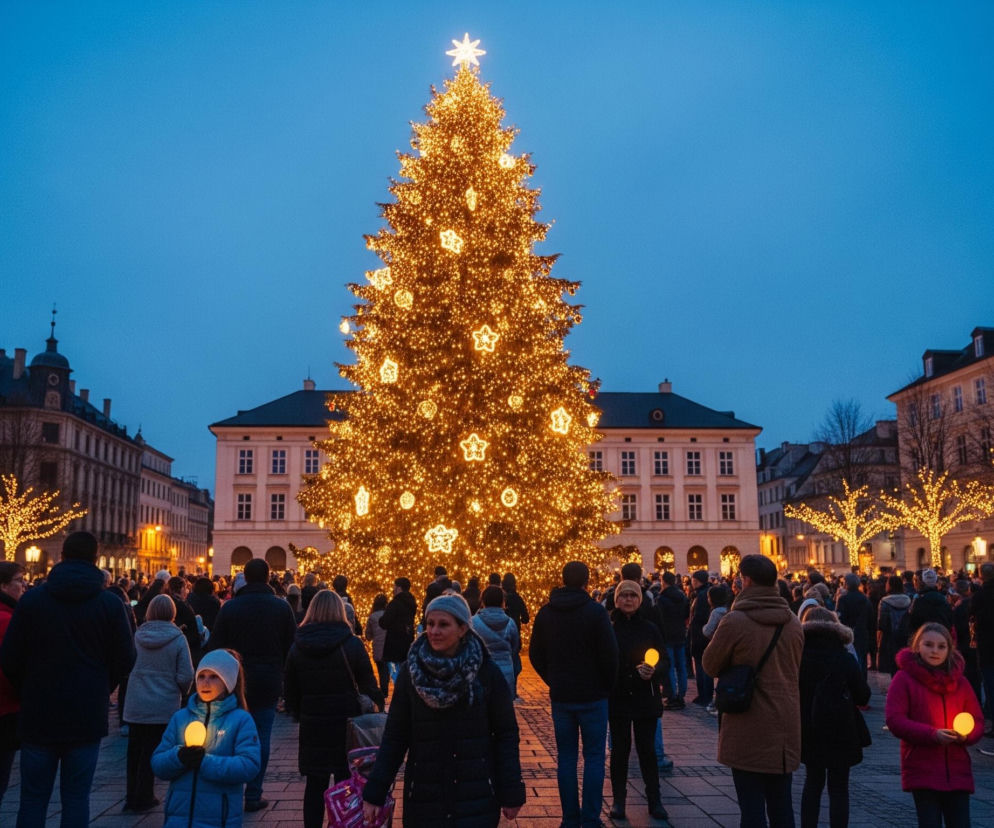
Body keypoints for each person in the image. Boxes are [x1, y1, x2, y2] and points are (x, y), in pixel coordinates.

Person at [0, 531, 136, 828]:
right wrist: (103, 686)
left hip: (38, 713)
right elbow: (126, 659)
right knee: (76, 797)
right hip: (86, 714)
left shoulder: (32, 601)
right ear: (95, 559)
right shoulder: (109, 604)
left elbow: (9, 657)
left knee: (33, 798)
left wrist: (30, 688)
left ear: (62, 556)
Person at [362, 594, 525, 825]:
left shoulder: (485, 673)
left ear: (462, 629)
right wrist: (375, 791)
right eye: (430, 624)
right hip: (424, 794)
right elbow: (395, 737)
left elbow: (506, 734)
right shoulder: (412, 673)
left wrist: (510, 789)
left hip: (475, 793)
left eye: (443, 624)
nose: (434, 631)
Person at [702, 554, 804, 828]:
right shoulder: (793, 623)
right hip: (785, 725)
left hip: (747, 723)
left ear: (745, 580)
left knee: (752, 809)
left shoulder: (735, 621)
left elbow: (710, 665)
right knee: (782, 806)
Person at [530, 561, 618, 828]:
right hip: (593, 696)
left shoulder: (546, 613)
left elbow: (535, 654)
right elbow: (610, 654)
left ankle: (569, 818)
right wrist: (606, 685)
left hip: (562, 696)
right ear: (585, 583)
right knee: (593, 757)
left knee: (566, 758)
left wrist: (552, 679)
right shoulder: (595, 612)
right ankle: (590, 818)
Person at [284, 589, 383, 828]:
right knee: (347, 782)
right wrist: (376, 702)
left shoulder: (298, 646)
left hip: (313, 725)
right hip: (346, 724)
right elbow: (370, 686)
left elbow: (290, 692)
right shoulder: (352, 644)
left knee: (314, 784)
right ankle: (345, 823)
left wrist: (300, 712)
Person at [206, 557, 297, 813]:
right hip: (268, 679)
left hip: (235, 679)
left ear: (244, 577)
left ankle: (230, 791)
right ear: (268, 577)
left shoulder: (230, 608)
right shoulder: (281, 607)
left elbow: (215, 646)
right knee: (261, 735)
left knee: (229, 734)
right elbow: (292, 647)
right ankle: (254, 793)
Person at [884, 622, 984, 827]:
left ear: (949, 649)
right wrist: (931, 734)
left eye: (941, 646)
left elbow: (976, 720)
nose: (935, 651)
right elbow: (895, 720)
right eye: (928, 645)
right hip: (923, 768)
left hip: (957, 771)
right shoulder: (904, 679)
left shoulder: (961, 682)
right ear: (917, 646)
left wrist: (967, 735)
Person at [151, 649, 261, 828]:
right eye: (201, 676)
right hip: (178, 818)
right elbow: (158, 763)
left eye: (214, 677)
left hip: (219, 819)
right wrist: (178, 756)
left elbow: (249, 765)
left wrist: (205, 762)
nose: (206, 682)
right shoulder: (180, 718)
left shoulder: (240, 720)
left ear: (228, 682)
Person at [798, 607, 870, 828]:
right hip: (842, 727)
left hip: (809, 725)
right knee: (839, 787)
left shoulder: (798, 657)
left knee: (812, 782)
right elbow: (863, 695)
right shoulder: (844, 657)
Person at [123, 593, 194, 812]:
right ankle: (145, 795)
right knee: (153, 750)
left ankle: (132, 795)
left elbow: (125, 663)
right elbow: (186, 674)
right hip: (163, 703)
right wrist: (181, 691)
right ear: (172, 612)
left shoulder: (136, 635)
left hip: (136, 702)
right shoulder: (177, 638)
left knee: (134, 750)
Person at [607, 579, 668, 822]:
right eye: (624, 596)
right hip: (619, 697)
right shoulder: (610, 627)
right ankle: (618, 800)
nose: (628, 600)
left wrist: (655, 671)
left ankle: (655, 800)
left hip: (645, 698)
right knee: (619, 752)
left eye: (633, 596)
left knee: (647, 752)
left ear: (639, 600)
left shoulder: (650, 628)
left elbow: (664, 659)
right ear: (617, 600)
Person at [0, 562, 26, 807]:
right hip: (6, 708)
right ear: (4, 585)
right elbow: (14, 665)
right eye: (19, 581)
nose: (24, 586)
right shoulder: (7, 620)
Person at [471, 585, 519, 697]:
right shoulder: (510, 623)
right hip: (505, 672)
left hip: (481, 672)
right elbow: (514, 647)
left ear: (483, 600)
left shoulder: (473, 622)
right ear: (502, 601)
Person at [968, 562, 994, 752]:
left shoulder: (979, 596)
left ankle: (992, 720)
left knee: (990, 684)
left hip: (986, 645)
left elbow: (971, 616)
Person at [656, 570, 690, 710]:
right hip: (680, 634)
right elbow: (686, 615)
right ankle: (681, 695)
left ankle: (672, 696)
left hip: (667, 635)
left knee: (670, 666)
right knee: (681, 666)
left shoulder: (661, 598)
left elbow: (660, 618)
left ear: (663, 581)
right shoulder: (682, 596)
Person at [380, 576, 418, 683]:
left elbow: (384, 622)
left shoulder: (395, 603)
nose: (393, 589)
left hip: (394, 643)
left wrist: (381, 619)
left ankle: (400, 691)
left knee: (394, 671)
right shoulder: (411, 603)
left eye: (394, 587)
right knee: (404, 669)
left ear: (399, 588)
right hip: (407, 640)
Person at [836, 573, 872, 680]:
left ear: (846, 584)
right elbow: (871, 620)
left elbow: (839, 619)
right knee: (862, 661)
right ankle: (862, 683)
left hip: (848, 635)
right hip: (863, 633)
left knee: (850, 660)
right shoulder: (865, 599)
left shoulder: (843, 599)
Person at [877, 574, 912, 676]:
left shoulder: (884, 601)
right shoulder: (909, 599)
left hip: (889, 636)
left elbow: (881, 623)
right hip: (905, 635)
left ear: (890, 586)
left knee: (892, 663)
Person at [688, 570, 713, 707]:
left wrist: (694, 625)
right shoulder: (701, 593)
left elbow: (700, 616)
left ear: (697, 580)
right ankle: (703, 693)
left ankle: (705, 694)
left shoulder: (702, 595)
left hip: (700, 635)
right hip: (699, 634)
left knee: (702, 665)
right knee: (701, 665)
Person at [909, 569, 953, 633]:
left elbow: (913, 624)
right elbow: (950, 621)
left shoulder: (918, 601)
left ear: (923, 581)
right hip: (941, 635)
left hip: (924, 636)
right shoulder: (944, 599)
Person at [365, 592, 390, 699]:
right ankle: (385, 691)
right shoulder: (389, 615)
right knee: (387, 671)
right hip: (389, 647)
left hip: (377, 649)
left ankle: (383, 693)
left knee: (381, 671)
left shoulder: (372, 617)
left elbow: (368, 635)